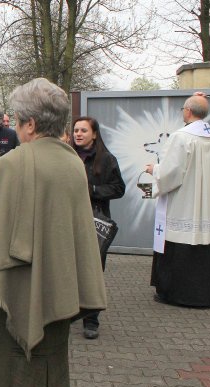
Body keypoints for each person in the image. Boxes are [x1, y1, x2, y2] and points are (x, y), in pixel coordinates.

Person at [0, 78, 107, 387]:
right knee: (48, 376)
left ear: (30, 124)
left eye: (17, 120)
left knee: (5, 381)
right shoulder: (72, 163)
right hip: (59, 292)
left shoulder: (14, 163)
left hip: (14, 299)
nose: (15, 127)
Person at [144, 93, 210, 308]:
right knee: (202, 242)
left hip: (185, 202)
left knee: (179, 239)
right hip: (205, 202)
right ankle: (205, 292)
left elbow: (172, 173)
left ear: (188, 111)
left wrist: (155, 170)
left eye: (183, 109)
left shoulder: (181, 137)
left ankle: (178, 293)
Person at [72, 116, 125, 339]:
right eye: (75, 130)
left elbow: (119, 188)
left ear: (94, 134)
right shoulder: (67, 156)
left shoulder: (106, 159)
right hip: (69, 220)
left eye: (83, 130)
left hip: (95, 223)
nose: (78, 134)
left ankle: (91, 320)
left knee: (92, 271)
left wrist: (92, 189)